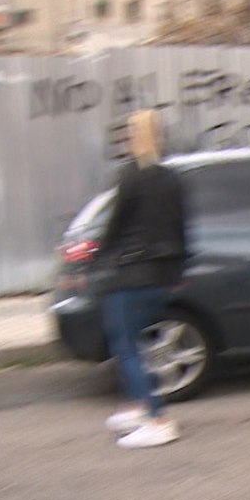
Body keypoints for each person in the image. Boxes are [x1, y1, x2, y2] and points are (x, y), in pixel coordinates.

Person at [97, 109, 189, 449]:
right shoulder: (171, 178)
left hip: (129, 273)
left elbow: (114, 227)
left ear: (133, 137)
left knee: (126, 347)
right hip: (161, 276)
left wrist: (97, 262)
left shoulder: (130, 176)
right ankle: (138, 405)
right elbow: (181, 228)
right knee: (135, 342)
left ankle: (157, 418)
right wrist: (180, 271)